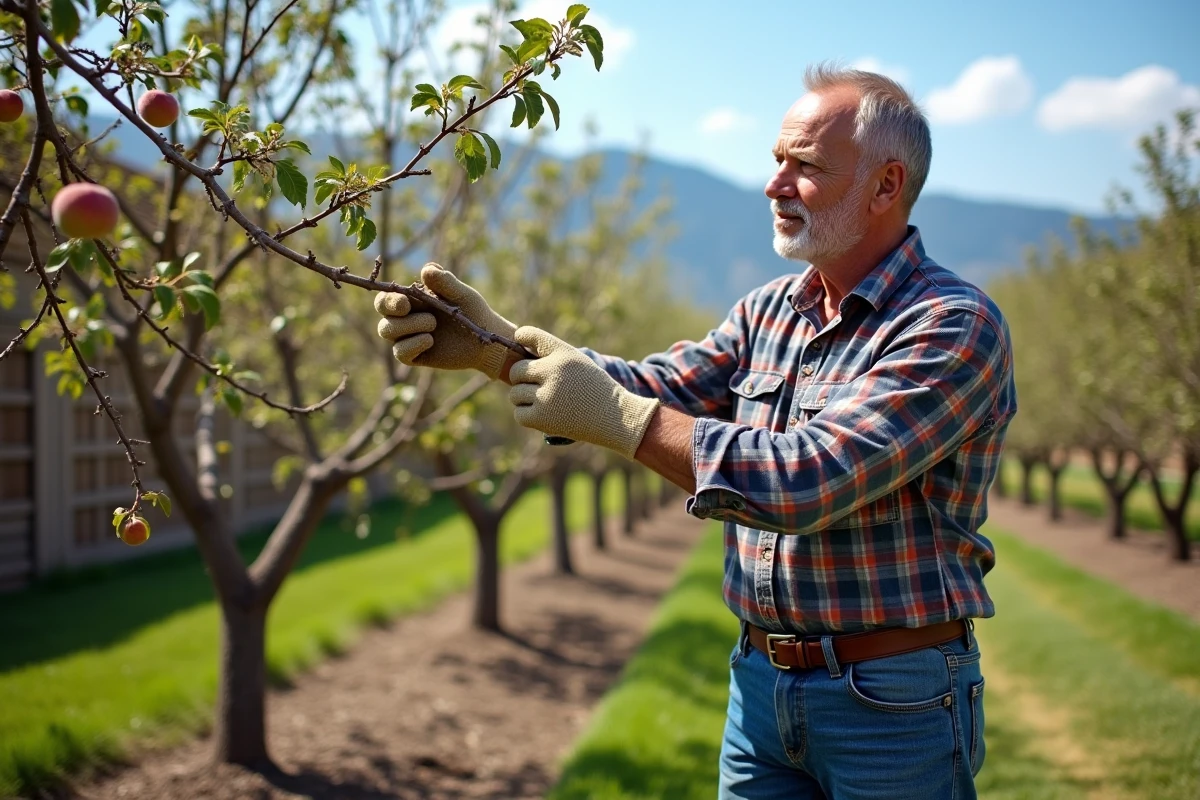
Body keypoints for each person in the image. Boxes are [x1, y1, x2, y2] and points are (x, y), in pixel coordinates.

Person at [374, 63, 1017, 800]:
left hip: (892, 701)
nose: (776, 185)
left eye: (805, 166)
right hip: (760, 688)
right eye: (778, 161)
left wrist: (619, 419)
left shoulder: (951, 325)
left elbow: (808, 480)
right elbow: (659, 385)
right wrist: (499, 351)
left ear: (885, 186)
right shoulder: (770, 310)